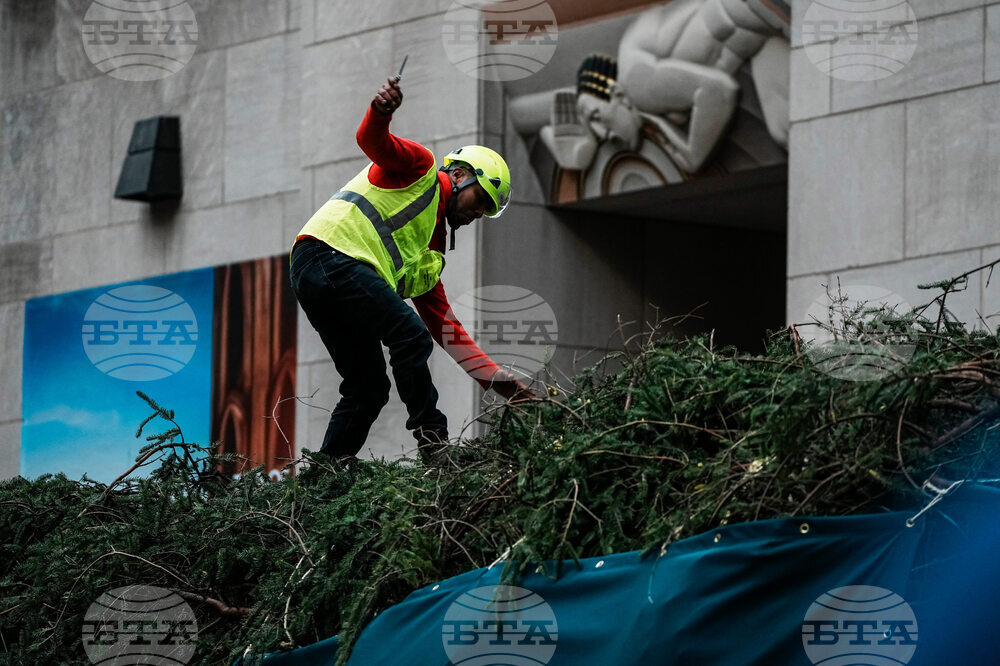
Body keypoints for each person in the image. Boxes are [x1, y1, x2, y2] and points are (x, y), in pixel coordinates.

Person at [289, 76, 533, 464]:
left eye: (488, 210)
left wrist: (493, 378)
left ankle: (326, 473)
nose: (477, 213)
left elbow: (448, 331)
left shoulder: (429, 257)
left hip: (317, 275)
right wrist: (381, 111)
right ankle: (433, 443)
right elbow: (373, 142)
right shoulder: (419, 170)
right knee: (409, 334)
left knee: (368, 387)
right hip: (329, 254)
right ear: (459, 175)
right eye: (481, 199)